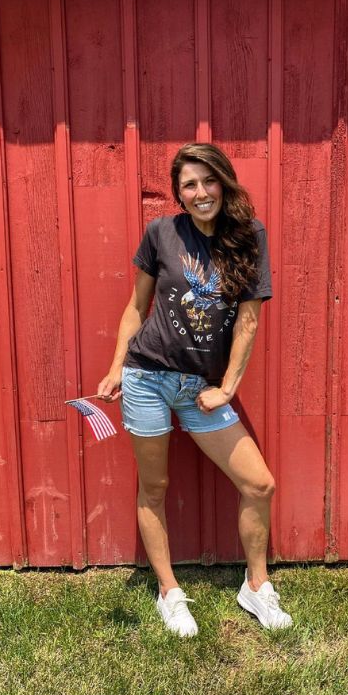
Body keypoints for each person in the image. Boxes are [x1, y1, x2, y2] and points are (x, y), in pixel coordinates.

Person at [97, 143, 292, 637]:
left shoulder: (249, 235)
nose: (201, 192)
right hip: (146, 378)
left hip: (200, 388)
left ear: (223, 182)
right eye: (189, 184)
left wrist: (227, 388)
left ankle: (256, 586)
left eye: (208, 181)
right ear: (179, 194)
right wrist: (118, 366)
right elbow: (135, 307)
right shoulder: (161, 232)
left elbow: (248, 321)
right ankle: (170, 592)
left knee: (259, 483)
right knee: (155, 488)